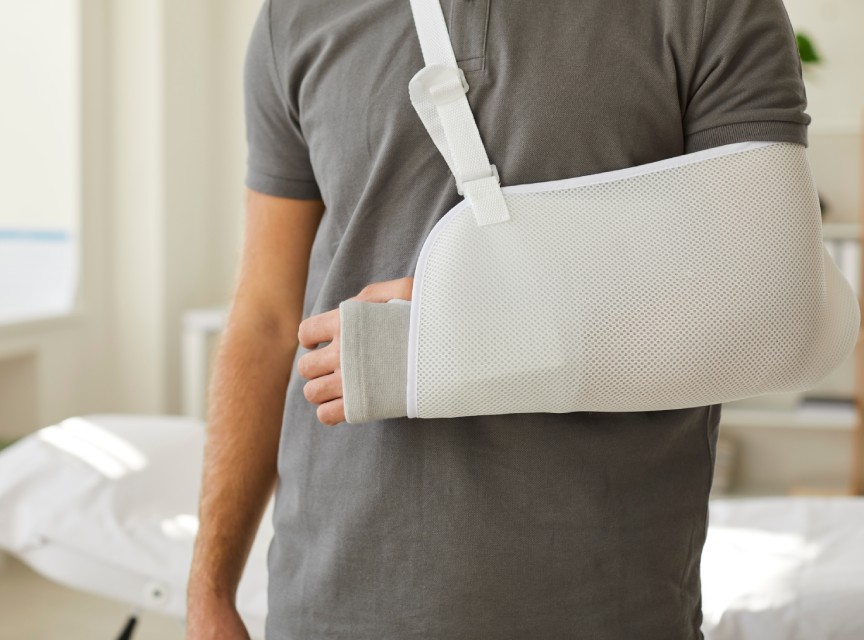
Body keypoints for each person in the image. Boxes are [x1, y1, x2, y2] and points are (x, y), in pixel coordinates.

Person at [186, 0, 811, 637]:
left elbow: (772, 307)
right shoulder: (296, 17)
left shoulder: (713, 9)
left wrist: (457, 325)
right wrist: (208, 593)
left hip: (608, 599)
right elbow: (265, 316)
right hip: (331, 599)